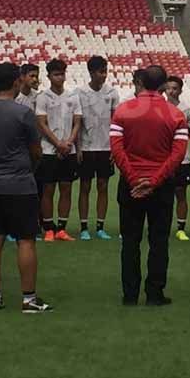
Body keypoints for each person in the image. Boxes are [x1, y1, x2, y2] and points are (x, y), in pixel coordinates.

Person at [0, 63, 51, 313]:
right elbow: (36, 150)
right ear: (17, 82)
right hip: (19, 183)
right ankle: (29, 298)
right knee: (26, 240)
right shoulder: (23, 113)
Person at [110, 65, 189, 306]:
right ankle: (155, 293)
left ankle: (130, 294)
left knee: (130, 241)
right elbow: (178, 155)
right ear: (164, 86)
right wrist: (154, 181)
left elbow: (116, 149)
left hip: (131, 184)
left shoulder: (123, 111)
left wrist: (135, 179)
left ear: (141, 82)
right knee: (159, 241)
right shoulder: (175, 115)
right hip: (161, 186)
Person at [36, 58, 81, 241]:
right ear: (48, 76)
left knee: (66, 188)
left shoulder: (73, 96)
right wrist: (58, 143)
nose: (59, 78)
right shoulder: (43, 97)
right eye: (56, 74)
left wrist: (69, 142)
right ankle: (48, 228)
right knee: (48, 189)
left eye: (62, 74)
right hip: (48, 150)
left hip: (68, 149)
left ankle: (61, 228)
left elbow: (77, 122)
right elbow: (41, 123)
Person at [76, 56, 120, 241]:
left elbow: (116, 122)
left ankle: (100, 227)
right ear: (91, 73)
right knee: (85, 186)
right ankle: (84, 227)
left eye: (105, 71)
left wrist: (115, 149)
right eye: (101, 72)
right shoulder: (79, 93)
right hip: (86, 148)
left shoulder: (112, 93)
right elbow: (77, 122)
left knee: (103, 186)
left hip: (105, 148)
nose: (104, 75)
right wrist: (77, 148)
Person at [164, 76, 190, 241]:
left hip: (182, 159)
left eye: (175, 88)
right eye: (169, 88)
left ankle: (181, 228)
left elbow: (188, 134)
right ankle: (162, 226)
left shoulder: (187, 110)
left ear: (180, 90)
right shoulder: (159, 108)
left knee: (181, 193)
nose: (171, 91)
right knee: (162, 194)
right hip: (163, 159)